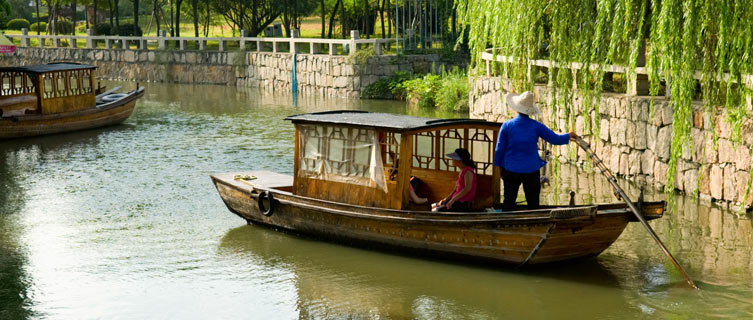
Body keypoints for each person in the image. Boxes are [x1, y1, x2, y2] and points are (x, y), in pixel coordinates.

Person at [494, 91, 577, 211]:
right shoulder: (536, 126)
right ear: (530, 110)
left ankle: (506, 225)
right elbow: (555, 139)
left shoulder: (506, 126)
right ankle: (536, 226)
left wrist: (499, 168)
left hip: (511, 169)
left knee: (509, 202)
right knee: (533, 203)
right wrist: (568, 136)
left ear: (517, 109)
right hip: (531, 170)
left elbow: (499, 150)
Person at [433, 148, 477, 212]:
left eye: (454, 158)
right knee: (433, 206)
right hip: (455, 200)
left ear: (460, 160)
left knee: (436, 211)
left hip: (462, 203)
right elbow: (456, 189)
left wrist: (452, 200)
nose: (452, 160)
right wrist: (446, 199)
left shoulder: (468, 171)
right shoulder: (462, 171)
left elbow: (467, 188)